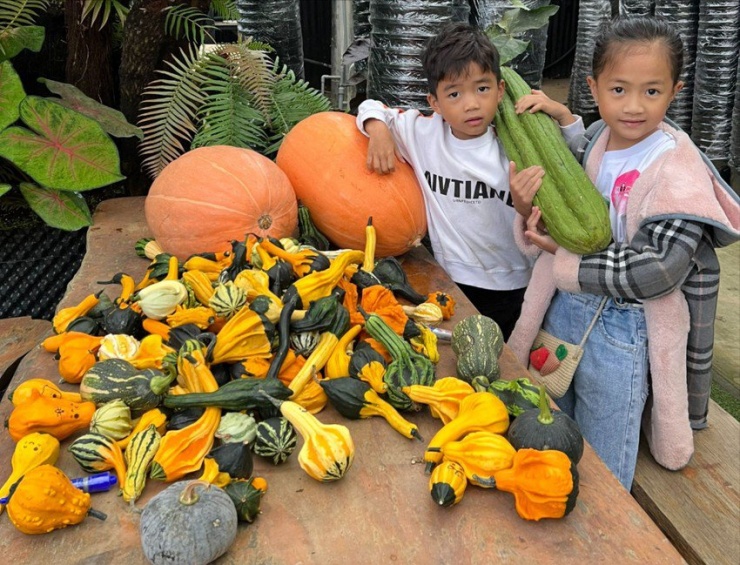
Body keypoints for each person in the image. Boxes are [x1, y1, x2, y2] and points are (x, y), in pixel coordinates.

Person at [506, 15, 740, 489]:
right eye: (619, 90)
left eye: (651, 92)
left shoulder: (678, 168)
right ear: (594, 88)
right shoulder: (597, 140)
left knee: (602, 459)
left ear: (675, 90)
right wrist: (530, 211)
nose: (633, 106)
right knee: (549, 419)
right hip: (566, 311)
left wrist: (565, 258)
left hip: (625, 327)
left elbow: (660, 269)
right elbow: (580, 172)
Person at [355, 22, 545, 339]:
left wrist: (566, 120)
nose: (470, 104)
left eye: (482, 89)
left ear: (500, 90)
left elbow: (557, 190)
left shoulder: (515, 142)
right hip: (450, 278)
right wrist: (378, 129)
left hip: (513, 281)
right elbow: (371, 106)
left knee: (505, 360)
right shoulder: (423, 134)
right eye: (454, 94)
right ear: (435, 103)